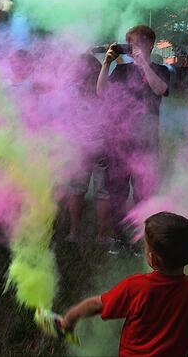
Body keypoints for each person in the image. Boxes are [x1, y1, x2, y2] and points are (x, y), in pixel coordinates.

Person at [60, 212, 188, 356]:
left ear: (152, 258)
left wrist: (69, 320)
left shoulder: (137, 287)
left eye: (145, 245)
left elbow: (96, 304)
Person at [96, 25, 172, 249]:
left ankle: (141, 238)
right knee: (117, 193)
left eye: (137, 42)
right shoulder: (121, 70)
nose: (133, 48)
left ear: (150, 44)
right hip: (120, 142)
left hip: (146, 143)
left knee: (144, 193)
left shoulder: (161, 69)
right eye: (130, 43)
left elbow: (159, 90)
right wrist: (107, 63)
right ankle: (119, 238)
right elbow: (101, 92)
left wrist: (144, 64)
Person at [66, 52, 113, 245]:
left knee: (77, 189)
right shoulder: (104, 88)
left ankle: (73, 232)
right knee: (102, 192)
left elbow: (65, 119)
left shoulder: (72, 90)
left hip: (80, 145)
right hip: (101, 144)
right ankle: (102, 236)